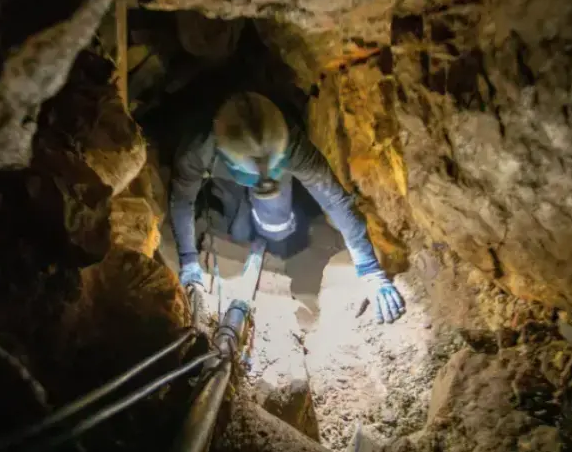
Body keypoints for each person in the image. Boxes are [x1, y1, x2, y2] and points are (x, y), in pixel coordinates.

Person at [168, 91, 405, 323]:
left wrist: (369, 269)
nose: (264, 180)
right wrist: (188, 260)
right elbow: (182, 201)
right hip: (223, 175)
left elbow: (335, 200)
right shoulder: (197, 152)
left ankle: (275, 246)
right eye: (257, 174)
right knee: (235, 224)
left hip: (250, 164)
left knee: (277, 223)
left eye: (271, 169)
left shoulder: (292, 146)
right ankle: (236, 217)